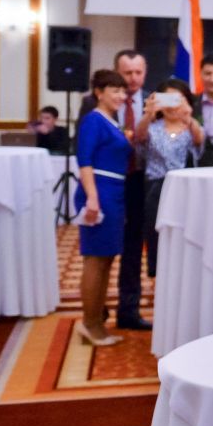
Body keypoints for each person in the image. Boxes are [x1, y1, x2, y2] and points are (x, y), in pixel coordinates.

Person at [82, 50, 153, 332]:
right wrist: (92, 195)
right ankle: (94, 314)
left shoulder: (154, 101)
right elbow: (85, 153)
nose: (133, 80)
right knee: (99, 255)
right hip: (104, 186)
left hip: (137, 184)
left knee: (131, 250)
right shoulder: (93, 108)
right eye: (127, 74)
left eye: (138, 72)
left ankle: (128, 310)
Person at [73, 70, 132, 347]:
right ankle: (89, 323)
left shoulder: (112, 121)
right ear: (99, 92)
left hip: (113, 191)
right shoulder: (93, 120)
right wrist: (92, 198)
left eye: (123, 91)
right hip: (99, 191)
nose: (121, 96)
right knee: (95, 261)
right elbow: (84, 160)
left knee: (106, 260)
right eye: (115, 90)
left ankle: (97, 321)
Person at [134, 77, 202, 291]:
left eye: (177, 98)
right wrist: (148, 113)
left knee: (184, 235)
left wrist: (188, 117)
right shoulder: (152, 126)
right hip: (155, 188)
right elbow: (139, 138)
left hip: (185, 189)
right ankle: (157, 281)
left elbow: (201, 142)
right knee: (156, 236)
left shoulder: (190, 126)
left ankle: (184, 281)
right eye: (168, 98)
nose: (172, 104)